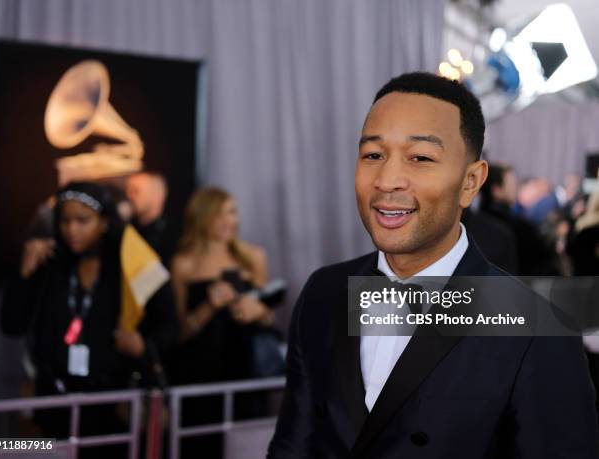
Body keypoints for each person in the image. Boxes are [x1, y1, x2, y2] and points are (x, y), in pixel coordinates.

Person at [268, 72, 599, 458]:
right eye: (373, 155)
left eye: (421, 158)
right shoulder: (325, 291)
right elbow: (293, 445)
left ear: (470, 182)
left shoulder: (538, 328)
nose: (387, 180)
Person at [0, 182, 179, 452]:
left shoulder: (130, 264)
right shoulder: (50, 262)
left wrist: (143, 346)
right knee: (13, 449)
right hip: (53, 406)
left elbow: (170, 326)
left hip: (111, 410)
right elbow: (11, 324)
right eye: (65, 220)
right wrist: (24, 275)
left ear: (104, 221)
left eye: (83, 221)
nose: (72, 229)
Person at [167, 186, 281, 456]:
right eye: (218, 214)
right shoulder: (183, 264)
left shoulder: (253, 258)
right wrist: (209, 306)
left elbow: (269, 319)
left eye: (231, 212)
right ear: (201, 218)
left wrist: (258, 312)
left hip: (246, 374)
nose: (228, 221)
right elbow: (176, 333)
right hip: (198, 377)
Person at [126, 171, 177, 266]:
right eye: (128, 191)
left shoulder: (174, 236)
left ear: (157, 195)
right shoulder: (126, 230)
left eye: (135, 191)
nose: (129, 196)